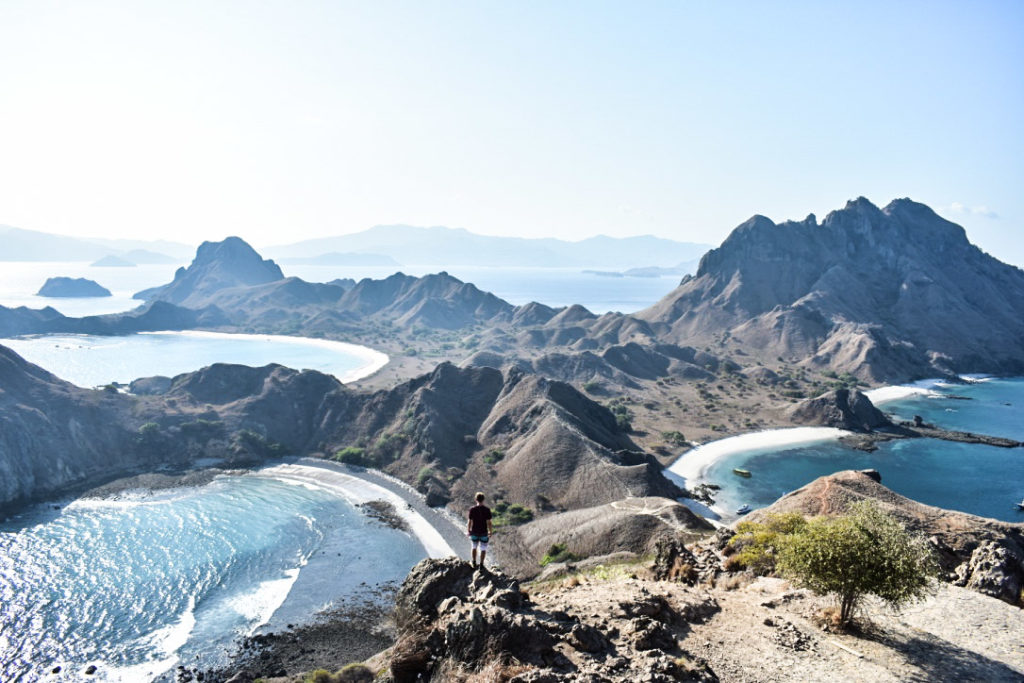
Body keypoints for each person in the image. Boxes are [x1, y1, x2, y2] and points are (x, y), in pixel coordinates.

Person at [467, 491, 493, 569]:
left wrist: (468, 530)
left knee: (474, 546)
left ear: (476, 499)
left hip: (474, 531)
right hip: (483, 532)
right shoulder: (487, 510)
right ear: (483, 499)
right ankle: (481, 564)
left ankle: (474, 562)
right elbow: (489, 523)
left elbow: (470, 521)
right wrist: (490, 532)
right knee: (483, 548)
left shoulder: (472, 509)